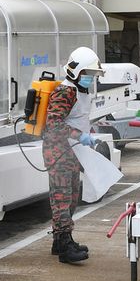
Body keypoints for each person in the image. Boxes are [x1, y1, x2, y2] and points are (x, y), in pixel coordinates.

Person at [42, 46, 105, 264]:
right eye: (88, 74)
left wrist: (88, 134)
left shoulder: (80, 92)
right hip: (59, 152)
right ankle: (65, 247)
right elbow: (53, 125)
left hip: (73, 152)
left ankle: (61, 241)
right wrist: (80, 136)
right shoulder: (65, 91)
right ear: (75, 72)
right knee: (61, 199)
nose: (91, 79)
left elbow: (78, 119)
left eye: (93, 75)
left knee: (71, 199)